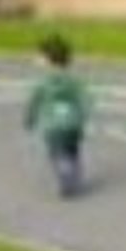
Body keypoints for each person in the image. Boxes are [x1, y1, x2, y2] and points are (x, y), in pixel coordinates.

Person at [23, 35, 91, 198]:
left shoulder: (43, 82)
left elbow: (34, 102)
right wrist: (84, 116)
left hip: (53, 125)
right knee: (72, 149)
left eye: (39, 56)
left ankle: (66, 176)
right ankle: (74, 170)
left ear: (47, 59)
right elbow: (85, 98)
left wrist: (29, 120)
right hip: (73, 124)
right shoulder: (74, 80)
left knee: (56, 153)